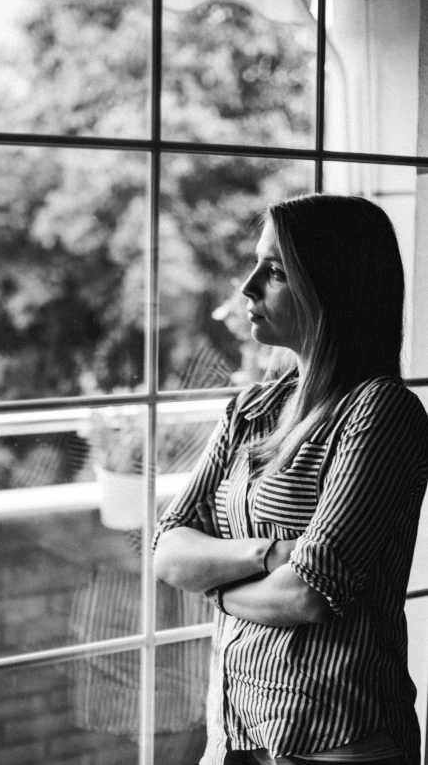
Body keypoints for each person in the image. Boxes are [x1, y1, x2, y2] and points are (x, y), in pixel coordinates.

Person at [153, 193, 428, 765]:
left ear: (333, 286)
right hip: (238, 728)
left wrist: (217, 587)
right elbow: (169, 551)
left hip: (340, 739)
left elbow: (308, 593)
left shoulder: (379, 411)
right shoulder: (249, 410)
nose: (248, 287)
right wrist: (272, 553)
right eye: (256, 264)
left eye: (275, 270)